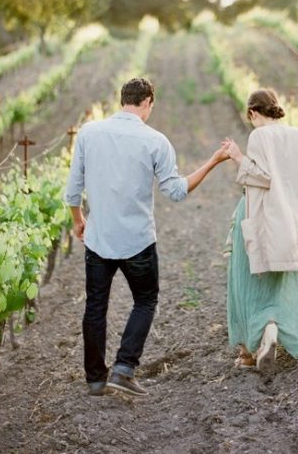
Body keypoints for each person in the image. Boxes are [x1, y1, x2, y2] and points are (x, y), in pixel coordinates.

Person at [65, 77, 230, 397]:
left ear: (122, 99)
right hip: (137, 241)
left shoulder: (89, 133)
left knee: (95, 307)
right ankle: (124, 367)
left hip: (98, 238)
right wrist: (214, 161)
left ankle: (96, 379)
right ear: (148, 102)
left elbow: (73, 189)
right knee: (145, 299)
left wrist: (78, 220)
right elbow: (177, 191)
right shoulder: (156, 141)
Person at [223, 88, 298, 369]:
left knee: (246, 282)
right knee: (279, 285)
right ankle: (272, 332)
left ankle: (250, 350)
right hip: (288, 223)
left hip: (260, 217)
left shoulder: (258, 136)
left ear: (253, 112)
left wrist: (238, 157)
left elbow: (260, 176)